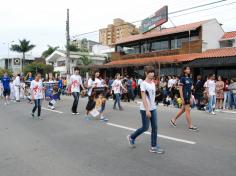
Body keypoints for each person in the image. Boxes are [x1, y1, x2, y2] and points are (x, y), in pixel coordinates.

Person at [127, 66, 165, 154]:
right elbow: (144, 98)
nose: (152, 77)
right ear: (146, 73)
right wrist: (147, 110)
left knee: (155, 127)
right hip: (145, 109)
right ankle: (131, 137)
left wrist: (157, 97)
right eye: (150, 75)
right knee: (145, 127)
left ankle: (153, 146)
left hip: (153, 108)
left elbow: (151, 96)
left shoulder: (153, 83)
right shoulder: (143, 84)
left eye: (153, 75)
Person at [170, 66, 199, 131]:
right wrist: (182, 98)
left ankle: (173, 120)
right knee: (187, 111)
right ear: (184, 70)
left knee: (183, 110)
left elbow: (190, 89)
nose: (189, 70)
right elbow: (180, 89)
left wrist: (191, 95)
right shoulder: (182, 78)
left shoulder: (190, 78)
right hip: (185, 96)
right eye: (187, 69)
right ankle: (190, 126)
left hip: (188, 96)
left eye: (189, 69)